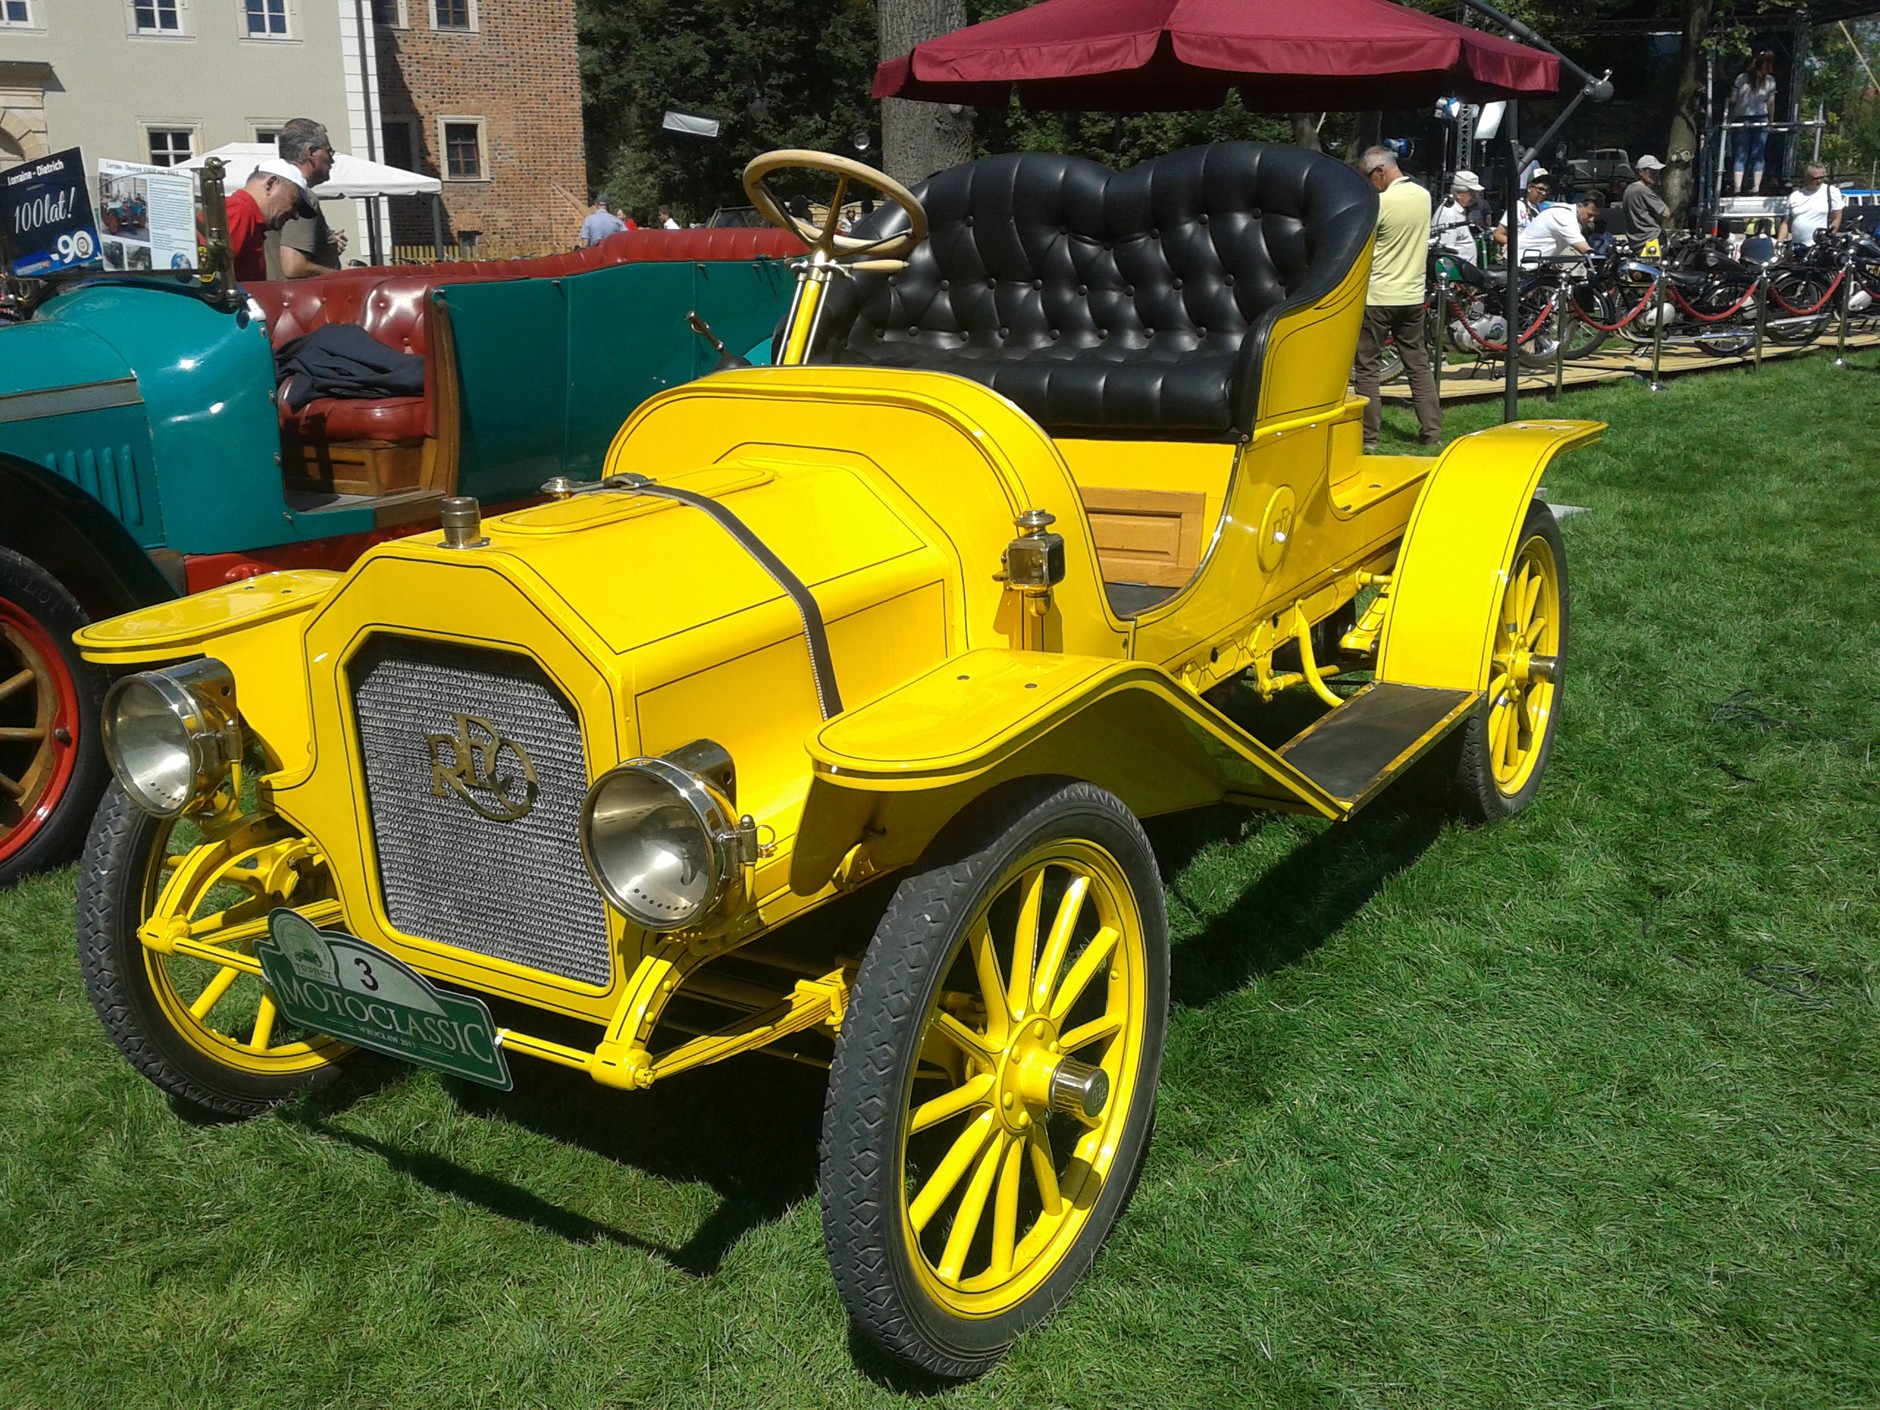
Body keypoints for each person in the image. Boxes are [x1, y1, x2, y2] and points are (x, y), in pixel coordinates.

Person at [1352, 146, 1440, 451]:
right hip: (1412, 295)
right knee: (1418, 364)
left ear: (1380, 171)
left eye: (1367, 176)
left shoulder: (1379, 204)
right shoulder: (1424, 196)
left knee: (1367, 368)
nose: (1367, 183)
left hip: (1377, 297)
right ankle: (1431, 431)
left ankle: (1369, 438)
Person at [267, 118, 346, 280]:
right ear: (310, 152)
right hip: (299, 300)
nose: (332, 160)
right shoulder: (299, 196)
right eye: (329, 152)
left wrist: (326, 244)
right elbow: (293, 267)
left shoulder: (270, 190)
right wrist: (343, 276)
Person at [227, 160, 314, 282]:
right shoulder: (239, 211)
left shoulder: (248, 217)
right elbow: (208, 275)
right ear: (271, 184)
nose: (295, 216)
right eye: (294, 203)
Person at [1730, 51, 1778, 195]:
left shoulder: (1741, 79)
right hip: (1761, 118)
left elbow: (1733, 99)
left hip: (1742, 118)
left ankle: (1737, 187)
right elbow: (1771, 103)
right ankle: (1756, 187)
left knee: (1741, 153)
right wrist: (1771, 121)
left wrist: (1731, 111)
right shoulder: (1770, 80)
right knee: (1758, 153)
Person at [1778, 163, 1846, 249]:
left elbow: (1837, 217)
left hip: (1819, 248)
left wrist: (1829, 238)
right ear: (1807, 177)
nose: (1819, 181)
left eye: (1822, 178)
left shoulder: (1831, 192)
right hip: (1797, 247)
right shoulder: (1795, 196)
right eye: (1816, 178)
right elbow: (1786, 223)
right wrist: (1779, 243)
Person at [1526, 190, 1601, 264]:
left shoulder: (1568, 214)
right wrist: (1599, 258)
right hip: (1525, 263)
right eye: (1589, 215)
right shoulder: (1563, 215)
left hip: (1537, 263)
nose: (1592, 219)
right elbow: (1582, 246)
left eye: (1595, 216)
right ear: (1579, 206)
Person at [1493, 170, 1552, 262]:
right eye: (1540, 189)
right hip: (1518, 258)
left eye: (1546, 190)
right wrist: (1515, 243)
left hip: (1537, 256)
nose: (1543, 193)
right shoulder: (1517, 206)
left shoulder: (1543, 209)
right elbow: (1498, 234)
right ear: (1529, 188)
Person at [1430, 170, 1486, 264]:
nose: (1476, 197)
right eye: (1472, 193)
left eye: (1477, 193)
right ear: (1459, 193)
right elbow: (1445, 251)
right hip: (1455, 273)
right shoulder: (1449, 213)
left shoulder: (1459, 210)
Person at [1621, 155, 1669, 244]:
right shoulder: (1643, 190)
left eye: (1658, 172)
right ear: (1641, 172)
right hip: (1651, 239)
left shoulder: (1629, 189)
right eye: (1652, 172)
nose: (1656, 175)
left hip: (1635, 241)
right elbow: (1665, 213)